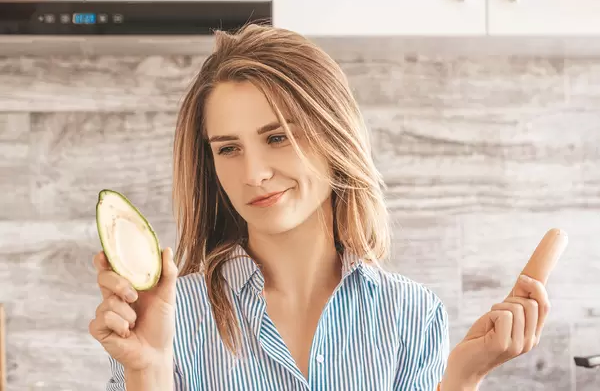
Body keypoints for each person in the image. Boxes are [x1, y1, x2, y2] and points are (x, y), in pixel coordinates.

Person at [88, 23, 568, 391]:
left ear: (333, 137)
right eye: (228, 148)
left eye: (277, 137)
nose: (253, 172)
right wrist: (148, 370)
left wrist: (462, 376)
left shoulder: (411, 314)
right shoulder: (171, 318)